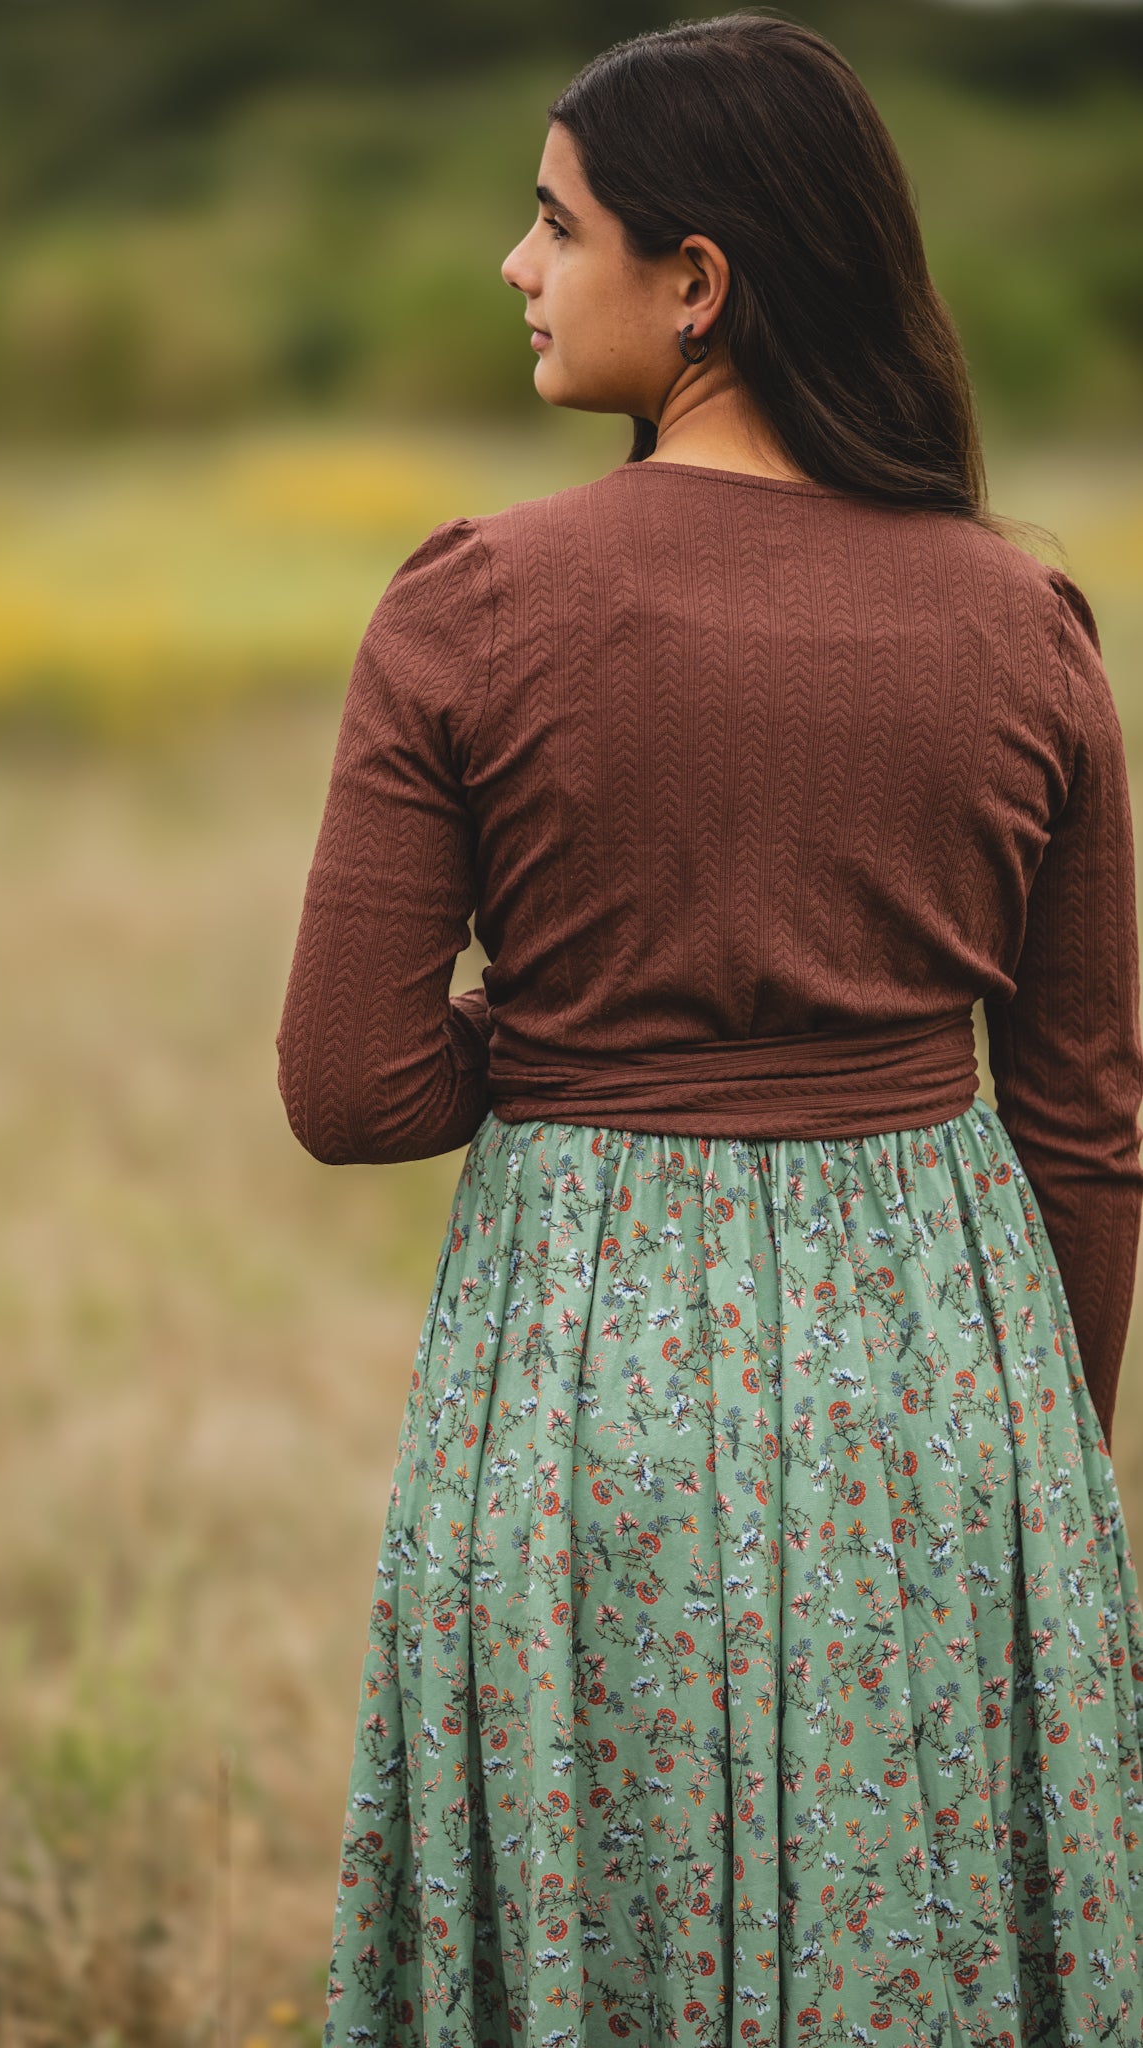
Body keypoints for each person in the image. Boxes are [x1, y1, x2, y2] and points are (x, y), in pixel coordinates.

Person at [276, 13, 1143, 2042]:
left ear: (695, 282)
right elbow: (1085, 1119)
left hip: (581, 1388)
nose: (513, 261)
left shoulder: (470, 607)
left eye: (552, 221)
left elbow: (351, 1085)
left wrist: (586, 1031)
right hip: (947, 1407)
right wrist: (1038, 1465)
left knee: (601, 1936)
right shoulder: (1022, 626)